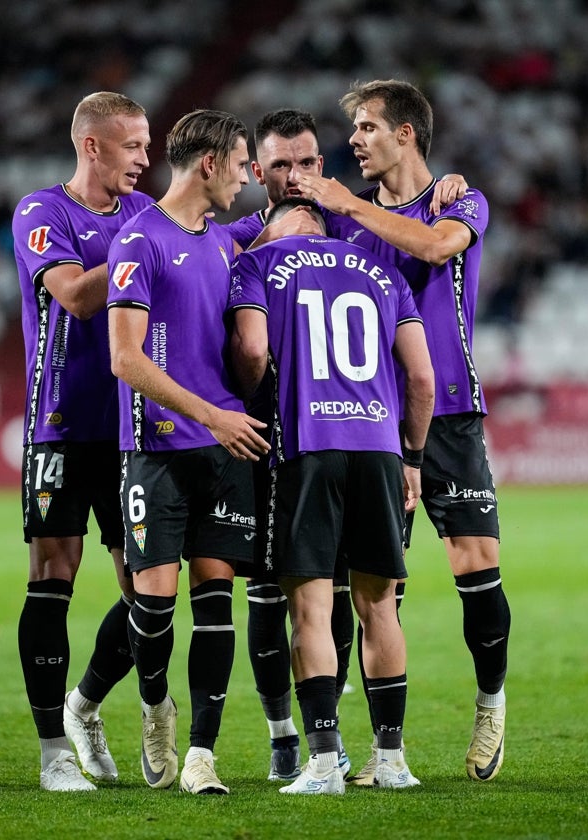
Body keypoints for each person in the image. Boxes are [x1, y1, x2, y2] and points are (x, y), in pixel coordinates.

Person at [297, 78, 512, 784]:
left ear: (405, 134)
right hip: (375, 420)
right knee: (376, 590)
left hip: (448, 411)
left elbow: (433, 248)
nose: (354, 140)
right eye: (354, 129)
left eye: (365, 127)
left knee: (473, 565)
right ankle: (382, 750)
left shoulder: (461, 201)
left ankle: (490, 703)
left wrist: (349, 204)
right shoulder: (343, 222)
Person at [230, 197, 435, 793]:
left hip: (308, 446)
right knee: (379, 607)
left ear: (276, 229)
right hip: (378, 448)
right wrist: (413, 457)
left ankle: (322, 761)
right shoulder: (382, 272)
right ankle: (392, 759)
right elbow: (420, 378)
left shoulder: (260, 264)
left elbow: (251, 350)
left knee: (311, 609)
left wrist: (255, 399)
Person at [105, 108, 270, 795]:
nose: (246, 178)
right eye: (240, 165)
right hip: (158, 449)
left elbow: (286, 211)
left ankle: (203, 753)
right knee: (153, 611)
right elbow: (124, 358)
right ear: (209, 164)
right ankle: (154, 710)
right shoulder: (137, 241)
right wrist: (210, 414)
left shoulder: (225, 240)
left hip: (222, 451)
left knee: (214, 603)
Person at [10, 91, 153, 792]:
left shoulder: (142, 214)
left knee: (149, 595)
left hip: (131, 429)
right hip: (61, 426)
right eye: (134, 146)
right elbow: (74, 295)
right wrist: (146, 242)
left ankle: (84, 706)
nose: (146, 159)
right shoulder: (43, 212)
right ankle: (52, 754)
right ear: (93, 146)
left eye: (151, 146)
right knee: (51, 581)